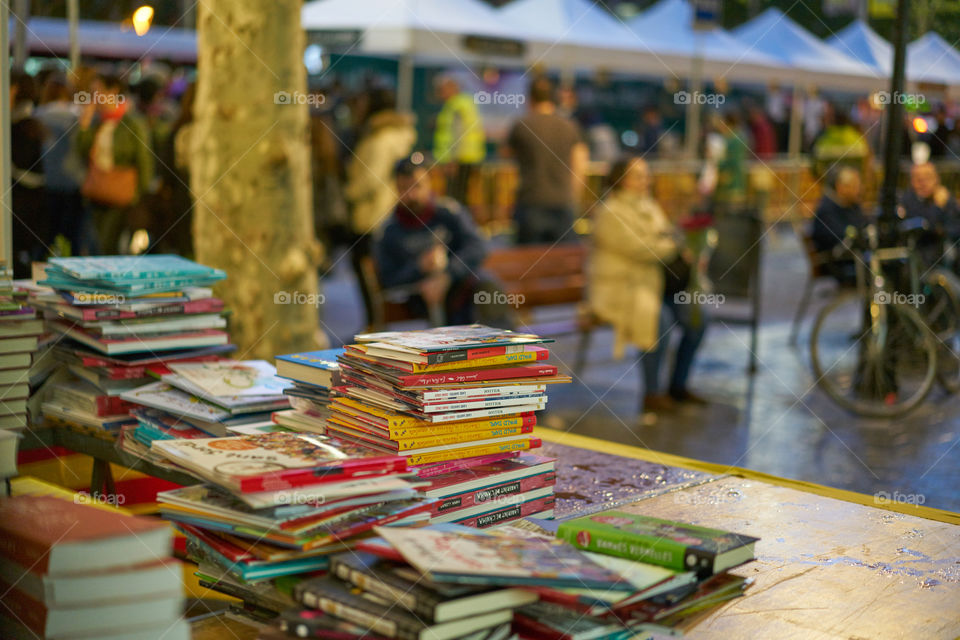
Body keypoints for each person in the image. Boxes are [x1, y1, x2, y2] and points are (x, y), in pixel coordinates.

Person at [589, 157, 706, 416]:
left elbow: (664, 237)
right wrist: (673, 245)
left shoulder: (649, 205)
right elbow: (642, 248)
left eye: (646, 175)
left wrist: (671, 242)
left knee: (698, 318)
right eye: (639, 176)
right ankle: (652, 394)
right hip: (621, 288)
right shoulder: (610, 212)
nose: (646, 181)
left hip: (655, 283)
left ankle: (678, 385)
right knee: (658, 320)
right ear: (621, 180)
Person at [374, 158, 487, 326]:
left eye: (417, 186)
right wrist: (419, 267)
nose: (411, 195)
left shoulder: (448, 213)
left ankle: (502, 346)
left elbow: (477, 247)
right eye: (404, 188)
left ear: (429, 184)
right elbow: (388, 278)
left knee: (487, 285)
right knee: (434, 296)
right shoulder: (389, 230)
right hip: (418, 298)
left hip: (459, 288)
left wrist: (448, 274)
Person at [343, 88, 416, 325]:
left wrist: (348, 192)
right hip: (391, 212)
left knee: (367, 272)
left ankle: (374, 325)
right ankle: (379, 323)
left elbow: (368, 180)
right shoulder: (402, 135)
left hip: (372, 214)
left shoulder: (379, 140)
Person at [75, 74, 155, 255]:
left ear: (113, 92)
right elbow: (82, 151)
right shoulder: (97, 122)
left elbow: (144, 160)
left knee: (109, 243)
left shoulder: (132, 123)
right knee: (95, 242)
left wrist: (141, 194)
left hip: (123, 194)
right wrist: (84, 126)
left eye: (98, 92)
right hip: (97, 191)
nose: (94, 97)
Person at [506, 77, 588, 244]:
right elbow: (580, 165)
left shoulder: (521, 125)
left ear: (530, 99)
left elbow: (506, 154)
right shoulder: (570, 127)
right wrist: (573, 198)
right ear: (553, 98)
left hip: (530, 202)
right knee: (561, 264)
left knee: (530, 263)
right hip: (563, 203)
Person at [36, 73, 88, 256]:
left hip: (48, 181)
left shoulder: (38, 115)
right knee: (73, 237)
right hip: (75, 181)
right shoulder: (78, 115)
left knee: (46, 236)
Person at [10, 71, 50, 278]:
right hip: (30, 205)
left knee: (17, 260)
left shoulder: (19, 127)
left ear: (15, 90)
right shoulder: (30, 123)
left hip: (20, 207)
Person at [432, 75, 485, 205]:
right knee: (461, 196)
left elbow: (458, 134)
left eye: (442, 90)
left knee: (455, 198)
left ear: (451, 89)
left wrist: (452, 160)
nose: (440, 93)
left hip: (458, 160)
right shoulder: (465, 103)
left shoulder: (456, 105)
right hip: (467, 158)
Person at [811, 167, 866, 285]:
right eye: (854, 186)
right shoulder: (827, 211)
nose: (859, 190)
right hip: (839, 265)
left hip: (852, 260)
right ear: (841, 187)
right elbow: (841, 240)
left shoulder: (851, 205)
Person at [901, 162, 960, 267]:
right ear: (911, 182)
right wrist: (937, 207)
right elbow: (926, 225)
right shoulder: (908, 200)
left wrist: (942, 230)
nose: (923, 183)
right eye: (918, 179)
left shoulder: (946, 198)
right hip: (922, 256)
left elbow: (955, 228)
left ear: (937, 179)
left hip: (947, 253)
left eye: (928, 177)